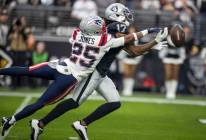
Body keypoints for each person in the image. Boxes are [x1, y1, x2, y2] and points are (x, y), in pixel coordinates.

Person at [1, 15, 168, 140]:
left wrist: (150, 42)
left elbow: (129, 43)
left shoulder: (76, 34)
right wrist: (150, 32)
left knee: (25, 70)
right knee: (48, 102)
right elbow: (129, 40)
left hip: (60, 65)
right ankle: (30, 122)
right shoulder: (105, 40)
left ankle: (16, 112)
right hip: (72, 76)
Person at [159, 24, 186, 99]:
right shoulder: (166, 38)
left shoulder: (181, 38)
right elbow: (163, 49)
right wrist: (162, 56)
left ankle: (172, 92)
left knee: (175, 75)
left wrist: (182, 58)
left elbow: (182, 49)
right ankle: (168, 91)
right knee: (168, 74)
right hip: (167, 59)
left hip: (177, 59)